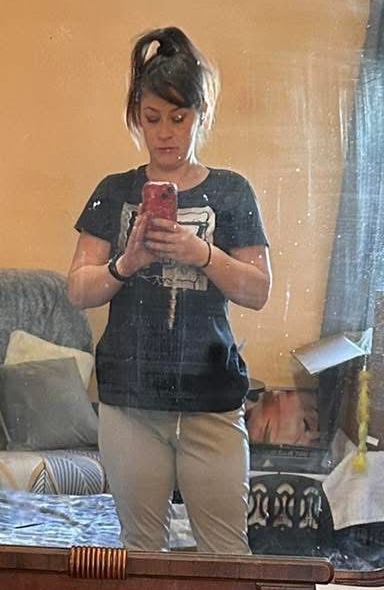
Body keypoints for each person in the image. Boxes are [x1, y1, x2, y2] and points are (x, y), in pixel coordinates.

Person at [66, 27, 272, 556]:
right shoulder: (114, 191)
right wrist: (127, 262)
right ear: (136, 117)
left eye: (178, 119)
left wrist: (200, 253)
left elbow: (257, 290)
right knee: (140, 551)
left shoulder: (231, 191)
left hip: (211, 399)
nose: (164, 134)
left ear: (200, 114)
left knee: (226, 553)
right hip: (129, 399)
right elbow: (78, 290)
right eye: (152, 118)